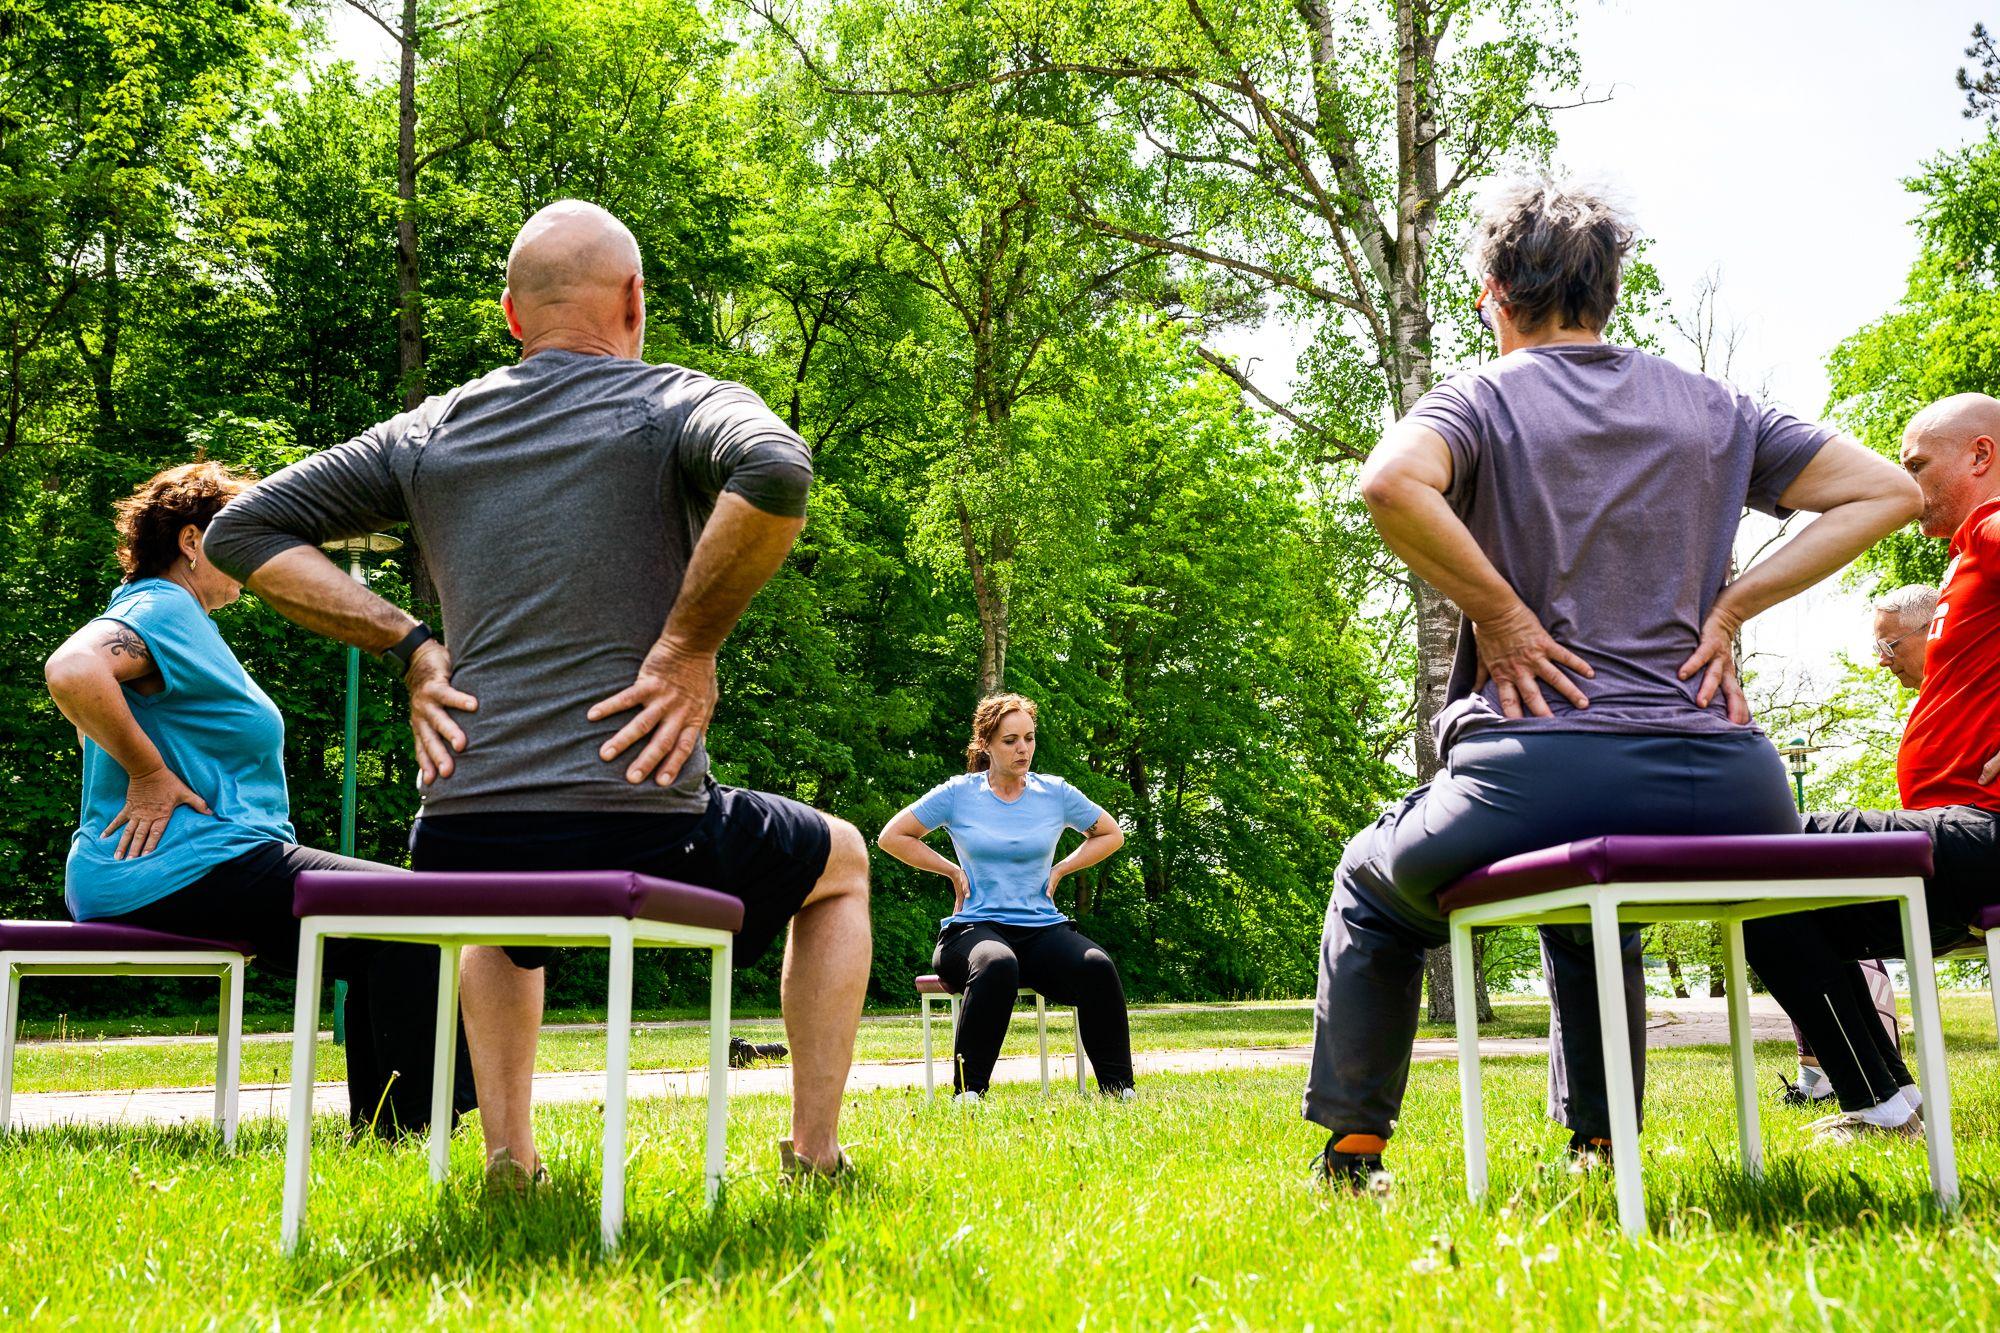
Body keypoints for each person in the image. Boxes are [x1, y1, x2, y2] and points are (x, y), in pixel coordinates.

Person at [204, 199, 871, 1184]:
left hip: (459, 835)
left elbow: (240, 532)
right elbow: (773, 465)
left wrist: (409, 646)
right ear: (635, 300)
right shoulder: (674, 400)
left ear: (510, 315)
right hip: (638, 819)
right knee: (845, 862)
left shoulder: (425, 431)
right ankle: (814, 1149)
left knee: (497, 925)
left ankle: (509, 1160)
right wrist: (689, 644)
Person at [1304, 178, 1921, 1188]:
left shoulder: (1478, 396)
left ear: (1493, 294)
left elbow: (1386, 481)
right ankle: (1598, 1145)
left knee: (1371, 884)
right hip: (1736, 789)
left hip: (1538, 771)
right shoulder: (1714, 406)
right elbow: (1884, 490)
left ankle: (1353, 1150)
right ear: (1608, 295)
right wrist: (1730, 613)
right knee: (1590, 903)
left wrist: (1503, 618)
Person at [46, 462, 471, 1138]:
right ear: (192, 540)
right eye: (239, 535)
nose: (253, 555)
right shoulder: (159, 606)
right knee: (415, 909)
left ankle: (390, 1130)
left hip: (188, 865)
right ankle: (409, 1134)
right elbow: (70, 668)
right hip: (181, 865)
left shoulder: (175, 616)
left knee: (382, 935)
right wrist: (148, 773)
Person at [1746, 394, 2000, 1144]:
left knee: (1758, 850)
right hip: (1953, 845)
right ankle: (1888, 1108)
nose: (1907, 481)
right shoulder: (1965, 557)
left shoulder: (1990, 525)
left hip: (1981, 834)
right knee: (1762, 899)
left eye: (1919, 464)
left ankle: (1883, 1104)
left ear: (1980, 456)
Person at [878, 694, 1132, 1100]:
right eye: (1011, 740)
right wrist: (950, 870)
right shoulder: (959, 793)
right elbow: (892, 836)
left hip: (1041, 929)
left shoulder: (1056, 793)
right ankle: (969, 1095)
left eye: (1029, 738)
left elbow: (1110, 834)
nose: (1023, 749)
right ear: (987, 745)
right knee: (997, 963)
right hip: (972, 931)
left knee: (1097, 967)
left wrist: (1062, 868)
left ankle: (1120, 1092)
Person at [1779, 584, 1933, 1108]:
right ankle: (1885, 1099)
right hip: (1936, 850)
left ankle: (1858, 1091)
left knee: (1778, 848)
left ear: (1937, 628)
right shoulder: (1935, 704)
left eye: (1890, 646)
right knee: (1790, 903)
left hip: (1963, 847)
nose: (1882, 661)